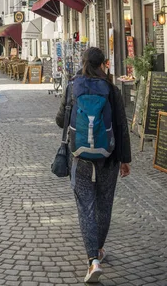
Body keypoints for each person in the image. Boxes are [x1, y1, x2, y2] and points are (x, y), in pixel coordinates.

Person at [56, 47, 131, 284]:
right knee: (104, 205)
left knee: (85, 207)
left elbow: (61, 121)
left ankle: (93, 261)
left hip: (79, 157)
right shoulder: (111, 89)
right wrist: (125, 159)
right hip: (108, 158)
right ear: (103, 64)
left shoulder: (72, 86)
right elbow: (121, 125)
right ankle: (98, 249)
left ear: (83, 62)